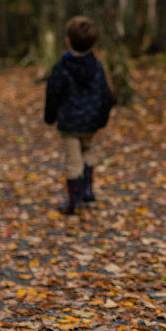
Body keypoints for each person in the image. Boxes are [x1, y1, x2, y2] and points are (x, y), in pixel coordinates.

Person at [44, 16, 114, 214]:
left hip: (70, 123)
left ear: (68, 40)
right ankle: (88, 190)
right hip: (91, 121)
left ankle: (74, 201)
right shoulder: (97, 67)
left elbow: (53, 94)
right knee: (88, 151)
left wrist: (50, 116)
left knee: (73, 160)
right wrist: (102, 118)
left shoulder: (61, 68)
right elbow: (106, 95)